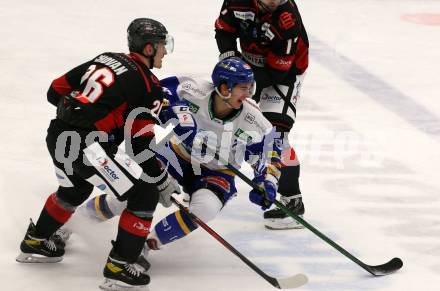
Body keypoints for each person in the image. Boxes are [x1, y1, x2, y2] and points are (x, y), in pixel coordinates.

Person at [72, 57, 284, 272]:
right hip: (175, 155)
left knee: (205, 209)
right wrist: (173, 114)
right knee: (130, 196)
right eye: (242, 88)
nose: (248, 93)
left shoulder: (254, 120)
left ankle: (144, 245)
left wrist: (266, 183)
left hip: (217, 170)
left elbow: (272, 153)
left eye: (250, 87)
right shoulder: (191, 88)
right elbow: (155, 95)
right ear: (223, 87)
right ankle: (72, 223)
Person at [16, 18, 179, 291]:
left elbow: (54, 91)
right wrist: (160, 178)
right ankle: (119, 266)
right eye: (162, 45)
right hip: (88, 148)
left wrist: (83, 112)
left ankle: (37, 241)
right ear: (149, 48)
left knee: (75, 190)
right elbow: (139, 147)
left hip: (57, 137)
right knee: (144, 192)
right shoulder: (147, 84)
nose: (165, 51)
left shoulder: (106, 58)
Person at [214, 0, 309, 229]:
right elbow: (224, 30)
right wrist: (231, 61)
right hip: (245, 66)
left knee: (275, 136)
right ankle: (200, 181)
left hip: (284, 76)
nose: (275, 1)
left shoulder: (288, 20)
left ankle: (292, 201)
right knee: (218, 114)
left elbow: (277, 72)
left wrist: (246, 88)